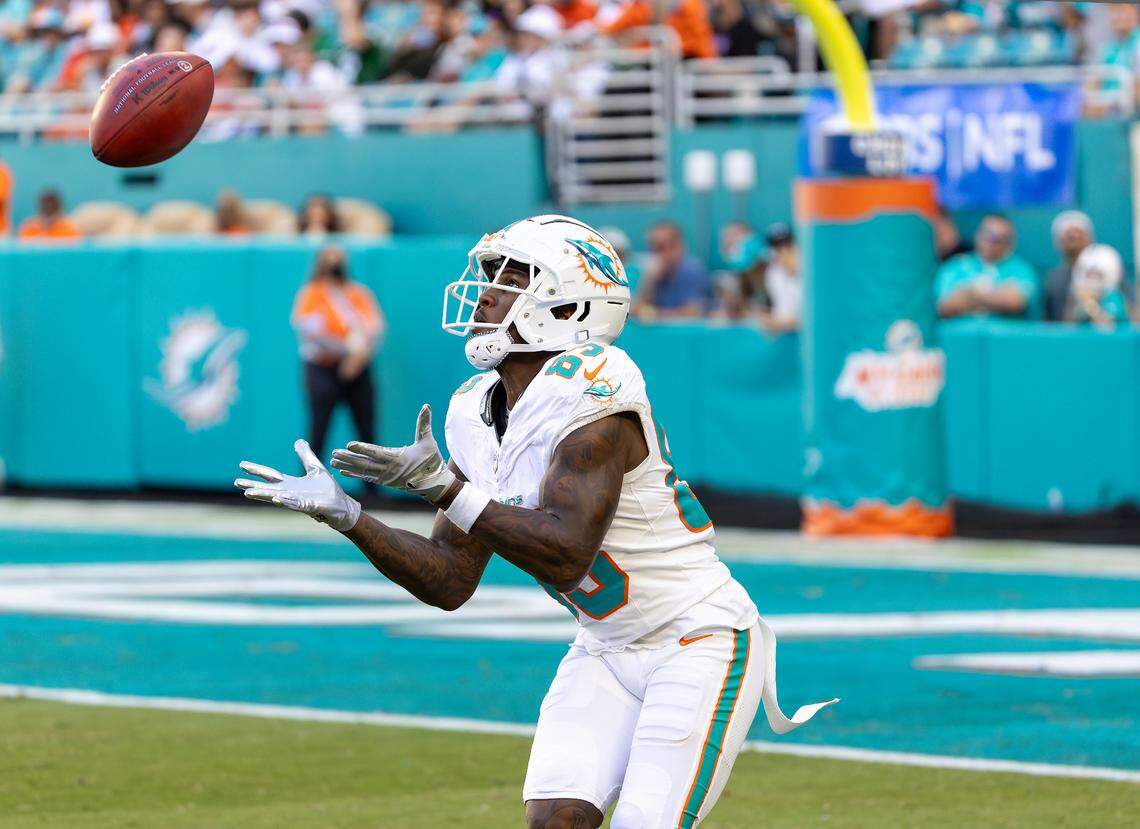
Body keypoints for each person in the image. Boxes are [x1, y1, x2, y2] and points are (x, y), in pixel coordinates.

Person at [235, 214, 834, 829]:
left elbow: (566, 552)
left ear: (571, 306)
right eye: (492, 274)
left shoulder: (599, 385)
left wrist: (444, 487)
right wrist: (351, 517)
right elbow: (448, 581)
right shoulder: (473, 407)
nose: (489, 291)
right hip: (604, 645)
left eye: (513, 277)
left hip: (696, 637)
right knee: (553, 821)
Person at [291, 245, 385, 458]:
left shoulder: (357, 293)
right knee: (319, 429)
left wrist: (359, 356)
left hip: (357, 369)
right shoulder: (312, 294)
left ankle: (371, 490)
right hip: (322, 368)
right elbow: (312, 332)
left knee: (366, 432)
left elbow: (376, 327)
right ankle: (310, 482)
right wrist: (347, 350)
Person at [935, 213, 1040, 319]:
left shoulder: (1021, 269)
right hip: (960, 334)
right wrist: (996, 296)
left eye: (999, 238)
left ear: (1010, 242)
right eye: (988, 234)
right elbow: (944, 306)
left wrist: (971, 294)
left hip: (1004, 334)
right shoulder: (955, 266)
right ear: (977, 234)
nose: (992, 242)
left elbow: (1016, 301)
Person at [632, 221, 711, 319]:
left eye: (662, 248)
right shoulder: (652, 272)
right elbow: (634, 311)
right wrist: (648, 281)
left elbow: (692, 313)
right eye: (654, 249)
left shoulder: (692, 271)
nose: (658, 255)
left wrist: (654, 314)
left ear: (678, 247)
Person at [1064, 243, 1130, 329]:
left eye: (1097, 275)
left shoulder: (1113, 297)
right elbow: (1068, 326)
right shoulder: (1077, 300)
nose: (1092, 281)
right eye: (1089, 275)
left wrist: (1090, 304)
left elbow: (1107, 325)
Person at [1044, 210, 1094, 322]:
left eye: (1079, 235)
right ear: (1057, 242)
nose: (1074, 238)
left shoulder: (1110, 270)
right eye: (1069, 237)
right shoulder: (1053, 279)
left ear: (1090, 239)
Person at [756, 222, 800, 333]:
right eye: (777, 247)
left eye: (787, 245)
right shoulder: (773, 274)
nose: (783, 251)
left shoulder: (812, 272)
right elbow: (782, 314)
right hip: (788, 338)